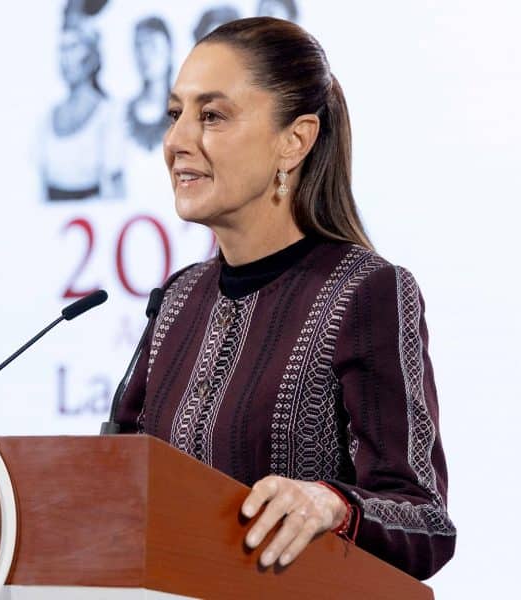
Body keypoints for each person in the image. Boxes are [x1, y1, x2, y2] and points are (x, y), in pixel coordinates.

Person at [114, 17, 455, 579]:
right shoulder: (177, 300)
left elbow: (425, 522)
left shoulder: (365, 292)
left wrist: (332, 504)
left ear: (294, 141)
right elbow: (112, 482)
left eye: (212, 116)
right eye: (175, 115)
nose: (176, 142)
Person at [40, 14, 124, 201]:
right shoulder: (47, 117)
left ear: (90, 54)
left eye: (73, 47)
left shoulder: (109, 113)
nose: (66, 58)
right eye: (62, 49)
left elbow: (116, 185)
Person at [126, 16, 174, 152]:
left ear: (169, 50)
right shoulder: (120, 114)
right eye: (139, 46)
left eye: (152, 45)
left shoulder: (187, 112)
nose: (145, 55)